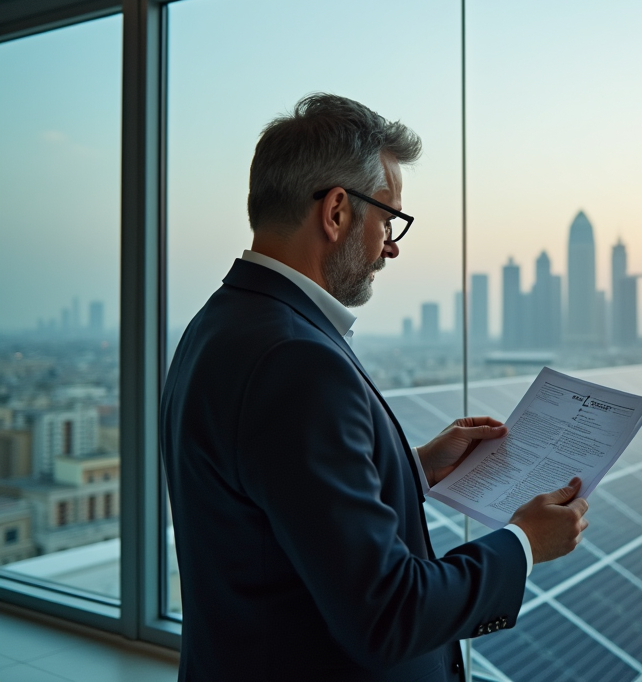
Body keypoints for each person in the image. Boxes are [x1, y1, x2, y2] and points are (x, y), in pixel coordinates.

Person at [160, 93, 589, 682]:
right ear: (336, 212)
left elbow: (278, 500)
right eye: (388, 220)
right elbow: (388, 615)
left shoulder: (220, 323)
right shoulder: (296, 359)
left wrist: (416, 466)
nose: (389, 246)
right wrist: (523, 544)